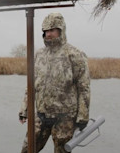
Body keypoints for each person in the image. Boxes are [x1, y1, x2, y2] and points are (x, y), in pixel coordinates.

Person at [18, 12, 91, 153]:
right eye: (45, 31)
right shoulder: (39, 55)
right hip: (41, 115)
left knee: (62, 151)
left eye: (52, 30)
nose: (48, 34)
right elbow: (31, 85)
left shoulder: (75, 54)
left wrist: (83, 116)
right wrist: (24, 109)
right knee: (27, 150)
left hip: (64, 118)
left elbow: (84, 88)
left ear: (61, 30)